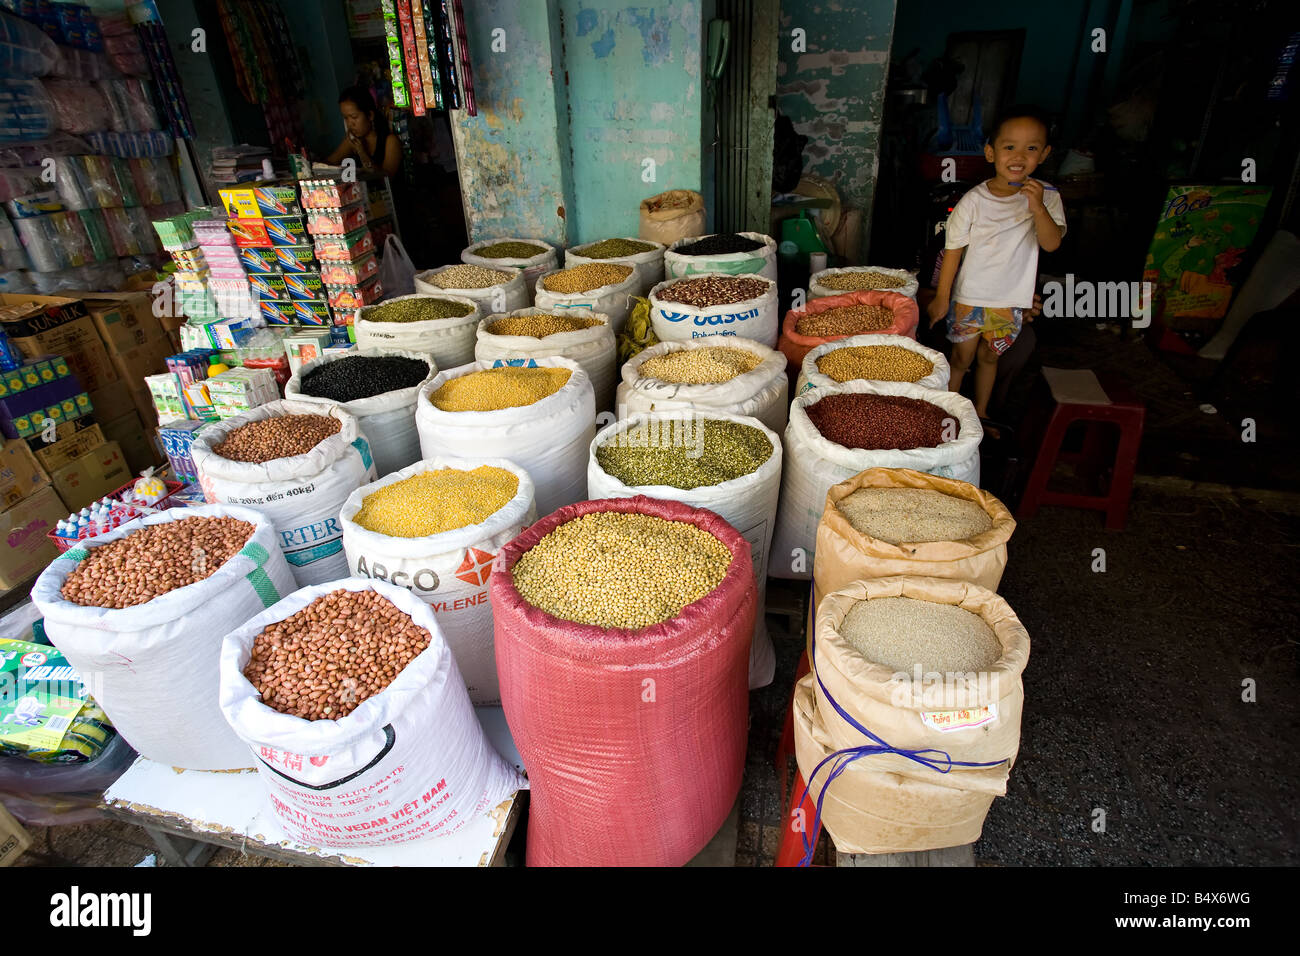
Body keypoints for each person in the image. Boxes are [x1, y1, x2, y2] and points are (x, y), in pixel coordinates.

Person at [927, 105, 1066, 433]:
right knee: (961, 359)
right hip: (971, 298)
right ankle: (946, 417)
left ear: (1044, 154)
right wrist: (942, 297)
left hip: (1010, 301)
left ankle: (982, 412)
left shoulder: (1047, 197)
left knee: (991, 357)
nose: (1019, 156)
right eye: (1009, 147)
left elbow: (1051, 243)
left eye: (1031, 148)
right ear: (991, 152)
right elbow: (953, 251)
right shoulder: (973, 201)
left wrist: (1037, 208)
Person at [325, 85, 402, 179]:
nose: (350, 124)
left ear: (370, 115)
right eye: (346, 118)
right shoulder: (353, 140)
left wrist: (362, 152)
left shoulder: (390, 141)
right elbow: (329, 163)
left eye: (354, 117)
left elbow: (386, 180)